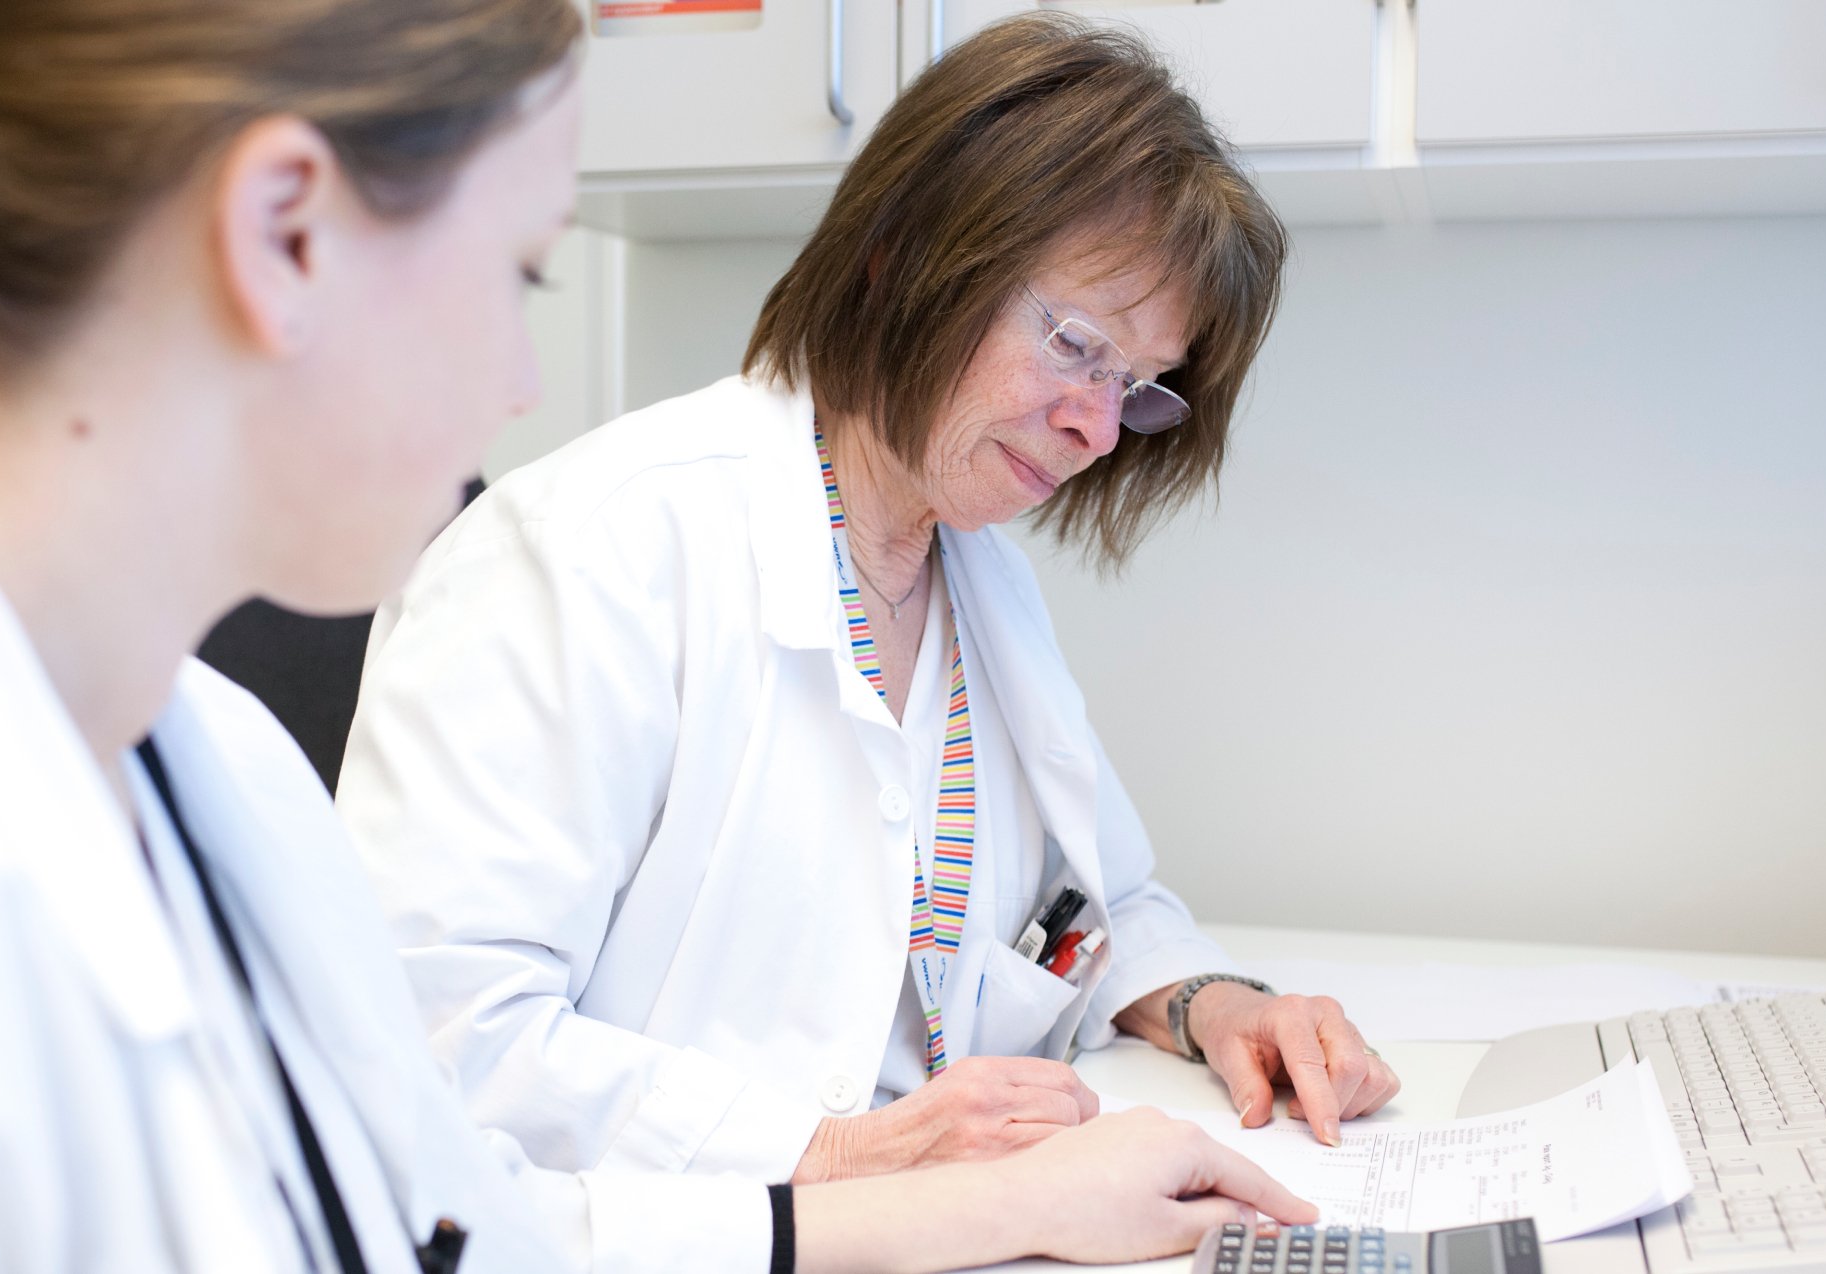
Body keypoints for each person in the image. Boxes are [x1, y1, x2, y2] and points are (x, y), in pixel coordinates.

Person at [0, 3, 1321, 1271]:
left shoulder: (207, 765)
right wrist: (868, 1185)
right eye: (519, 273)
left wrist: (966, 1198)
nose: (523, 383)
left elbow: (435, 1216)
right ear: (285, 229)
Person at [337, 11, 1403, 1193]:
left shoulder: (974, 574)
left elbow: (1090, 901)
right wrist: (830, 1152)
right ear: (907, 255)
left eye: (1138, 390)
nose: (1097, 429)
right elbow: (431, 1033)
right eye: (1075, 345)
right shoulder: (583, 552)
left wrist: (1211, 1002)